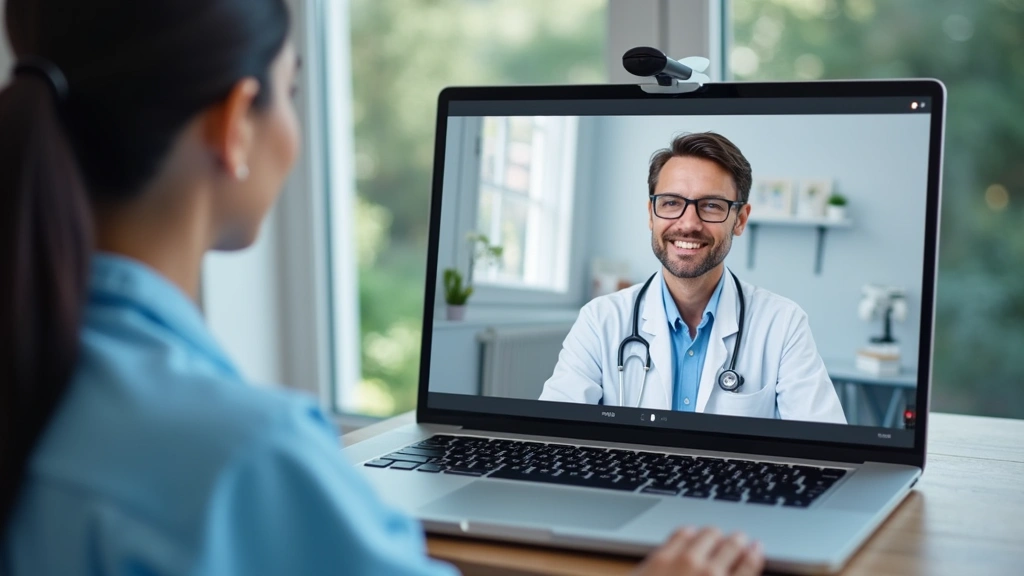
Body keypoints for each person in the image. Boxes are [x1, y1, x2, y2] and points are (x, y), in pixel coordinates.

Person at [0, 1, 764, 574]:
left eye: (710, 206)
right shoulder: (248, 459)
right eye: (291, 89)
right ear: (235, 126)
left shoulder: (38, 373)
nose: (688, 221)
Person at [540, 132, 846, 424]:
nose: (688, 224)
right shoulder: (600, 320)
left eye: (711, 205)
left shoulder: (783, 324)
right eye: (671, 203)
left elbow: (822, 443)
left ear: (740, 220)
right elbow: (554, 432)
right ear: (651, 214)